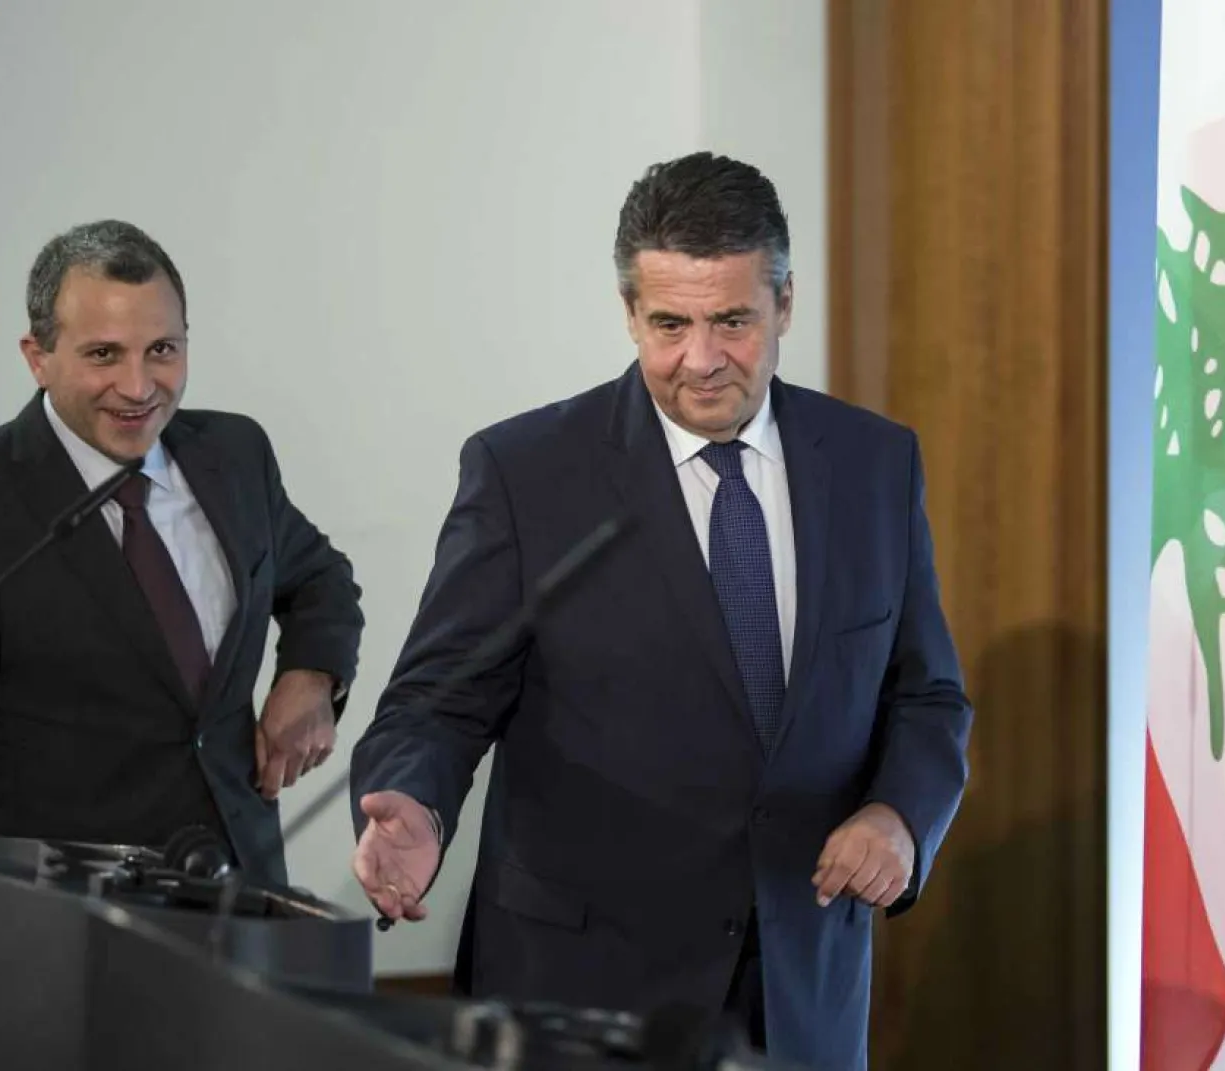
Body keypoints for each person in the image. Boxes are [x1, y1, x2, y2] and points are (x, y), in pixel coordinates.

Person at [348, 152, 972, 1069]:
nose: (702, 360)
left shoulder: (876, 463)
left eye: (734, 322)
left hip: (803, 987)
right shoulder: (528, 472)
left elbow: (926, 695)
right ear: (630, 313)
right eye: (669, 323)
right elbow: (440, 698)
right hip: (582, 988)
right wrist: (415, 802)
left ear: (785, 305)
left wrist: (900, 816)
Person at [0, 220, 363, 886]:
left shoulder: (234, 454)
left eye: (161, 348)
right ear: (37, 356)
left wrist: (313, 675)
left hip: (241, 891)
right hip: (63, 923)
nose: (139, 387)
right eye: (104, 354)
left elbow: (319, 579)